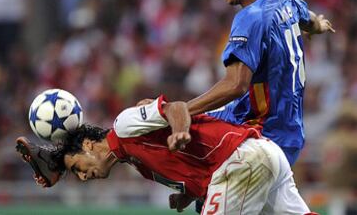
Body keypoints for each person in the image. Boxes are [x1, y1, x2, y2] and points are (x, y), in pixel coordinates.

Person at [140, 0, 335, 167]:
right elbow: (310, 19)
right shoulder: (284, 0)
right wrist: (319, 25)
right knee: (177, 118)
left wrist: (182, 110)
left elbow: (236, 85)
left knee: (172, 128)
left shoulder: (250, 17)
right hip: (291, 131)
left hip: (263, 132)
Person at [16, 96, 315, 214]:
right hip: (262, 155)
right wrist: (188, 195)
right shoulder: (137, 162)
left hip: (239, 160)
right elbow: (190, 166)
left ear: (89, 146)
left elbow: (176, 108)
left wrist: (180, 129)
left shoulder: (124, 125)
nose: (83, 176)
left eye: (78, 167)